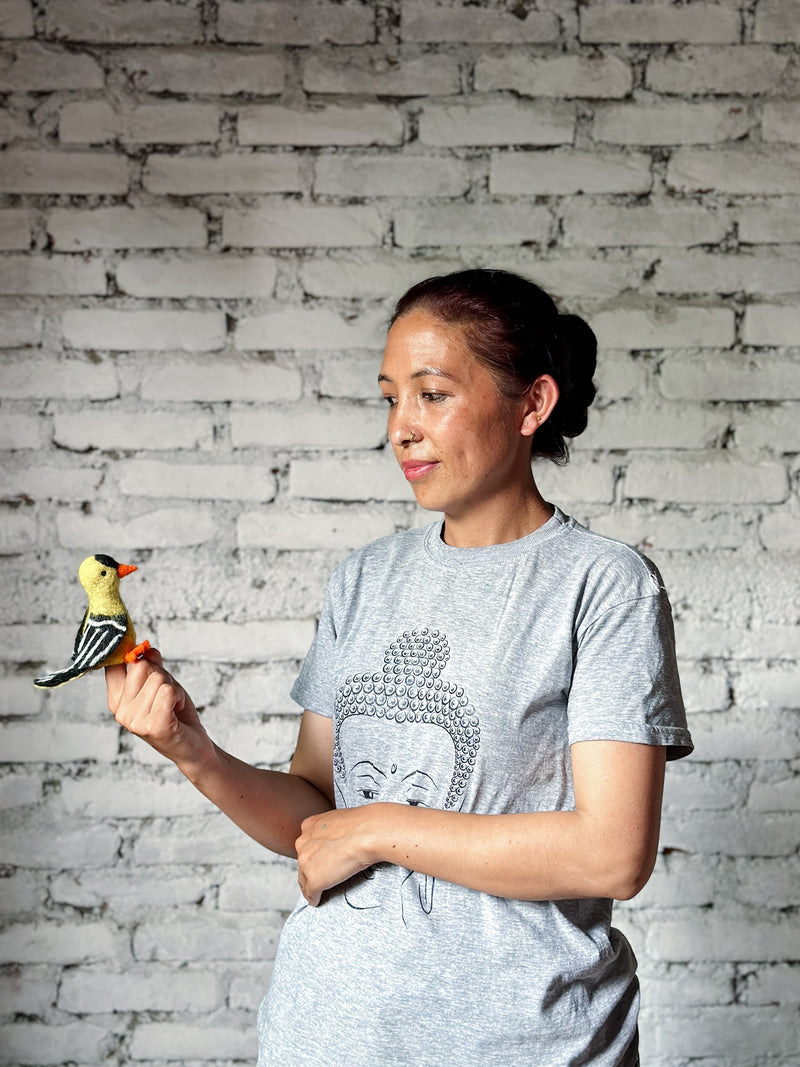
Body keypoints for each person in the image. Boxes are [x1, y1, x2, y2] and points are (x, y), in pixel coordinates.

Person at [106, 268, 692, 1066]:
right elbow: (316, 817)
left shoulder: (605, 584)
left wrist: (380, 826)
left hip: (526, 1043)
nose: (401, 429)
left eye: (432, 394)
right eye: (390, 398)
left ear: (533, 403)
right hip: (325, 1033)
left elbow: (612, 852)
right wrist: (192, 749)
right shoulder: (364, 579)